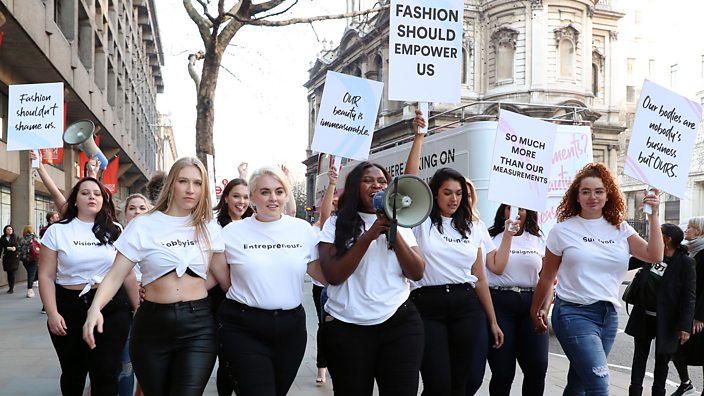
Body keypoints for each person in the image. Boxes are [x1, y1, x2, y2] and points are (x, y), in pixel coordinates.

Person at [82, 157, 225, 396]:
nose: (191, 189)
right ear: (171, 184)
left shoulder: (209, 227)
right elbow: (116, 275)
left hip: (198, 327)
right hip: (152, 327)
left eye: (198, 183)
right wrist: (95, 308)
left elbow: (223, 276)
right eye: (183, 181)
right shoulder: (144, 225)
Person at [530, 163, 664, 395]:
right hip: (573, 313)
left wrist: (654, 216)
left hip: (608, 316)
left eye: (599, 191)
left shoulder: (620, 229)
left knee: (579, 382)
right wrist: (536, 310)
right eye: (586, 191)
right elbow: (547, 277)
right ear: (577, 197)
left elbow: (654, 255)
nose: (593, 197)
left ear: (608, 194)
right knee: (599, 385)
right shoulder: (562, 231)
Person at [404, 113, 503, 395]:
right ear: (434, 194)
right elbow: (409, 182)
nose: (454, 199)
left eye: (458, 193)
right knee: (438, 384)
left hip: (465, 306)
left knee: (461, 384)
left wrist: (492, 321)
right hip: (427, 305)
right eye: (447, 192)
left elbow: (480, 278)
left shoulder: (472, 226)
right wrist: (419, 137)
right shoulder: (421, 221)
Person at [211, 166, 324, 396]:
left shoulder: (302, 230)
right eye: (264, 192)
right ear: (252, 196)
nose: (273, 198)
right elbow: (217, 278)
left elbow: (322, 274)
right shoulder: (232, 232)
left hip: (290, 329)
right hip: (242, 327)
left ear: (286, 195)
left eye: (279, 191)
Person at [318, 161, 426, 396]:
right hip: (348, 329)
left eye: (382, 181)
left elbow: (417, 272)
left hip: (399, 323)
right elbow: (333, 275)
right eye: (368, 180)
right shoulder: (335, 224)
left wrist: (393, 232)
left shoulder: (401, 221)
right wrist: (369, 235)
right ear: (355, 187)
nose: (376, 185)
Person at [38, 177, 138, 395]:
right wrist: (52, 313)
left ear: (103, 200)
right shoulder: (57, 231)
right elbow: (45, 276)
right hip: (68, 307)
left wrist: (138, 307)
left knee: (105, 371)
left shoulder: (116, 229)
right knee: (73, 372)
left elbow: (127, 273)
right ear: (75, 200)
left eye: (97, 193)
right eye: (85, 193)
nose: (92, 196)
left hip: (111, 307)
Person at [485, 204, 550, 395]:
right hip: (500, 303)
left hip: (532, 303)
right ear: (502, 212)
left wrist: (544, 309)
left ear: (528, 212)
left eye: (521, 208)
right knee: (503, 373)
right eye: (509, 208)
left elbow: (547, 279)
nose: (516, 212)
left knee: (537, 368)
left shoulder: (538, 240)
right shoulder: (491, 238)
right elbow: (492, 270)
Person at [625, 223, 696, 396]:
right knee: (639, 357)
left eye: (658, 233)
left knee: (662, 360)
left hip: (668, 321)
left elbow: (689, 296)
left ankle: (658, 392)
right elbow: (624, 263)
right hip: (643, 316)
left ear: (667, 239)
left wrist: (685, 326)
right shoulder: (651, 253)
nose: (653, 236)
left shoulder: (685, 262)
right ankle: (635, 392)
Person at [210, 177, 253, 396]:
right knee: (226, 358)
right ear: (226, 197)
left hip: (249, 300)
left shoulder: (254, 225)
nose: (241, 202)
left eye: (246, 197)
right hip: (220, 299)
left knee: (243, 358)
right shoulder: (215, 226)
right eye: (236, 196)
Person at [118, 193, 151, 396]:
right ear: (125, 212)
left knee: (148, 364)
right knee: (125, 362)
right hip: (122, 307)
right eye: (132, 208)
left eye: (142, 208)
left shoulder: (155, 236)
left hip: (151, 306)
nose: (137, 212)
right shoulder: (115, 234)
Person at [311, 166, 339, 386]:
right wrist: (331, 184)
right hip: (323, 287)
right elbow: (325, 215)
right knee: (324, 328)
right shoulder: (328, 225)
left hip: (341, 287)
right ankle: (322, 367)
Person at [671, 215, 704, 396]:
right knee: (675, 349)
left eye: (690, 227)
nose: (686, 230)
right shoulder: (690, 250)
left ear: (699, 231)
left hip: (698, 313)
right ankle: (686, 383)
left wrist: (700, 316)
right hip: (684, 310)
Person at [18, 225, 40, 298]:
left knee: (31, 272)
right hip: (34, 258)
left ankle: (35, 280)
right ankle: (29, 290)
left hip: (24, 259)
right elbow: (40, 246)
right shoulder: (35, 238)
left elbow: (19, 249)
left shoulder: (21, 239)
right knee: (31, 274)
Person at [1, 225, 20, 294]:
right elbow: (0, 248)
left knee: (12, 272)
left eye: (11, 229)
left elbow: (19, 246)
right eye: (8, 229)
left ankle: (11, 288)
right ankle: (10, 286)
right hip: (7, 257)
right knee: (9, 272)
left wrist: (15, 248)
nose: (9, 230)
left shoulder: (15, 237)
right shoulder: (3, 238)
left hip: (14, 257)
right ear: (5, 230)